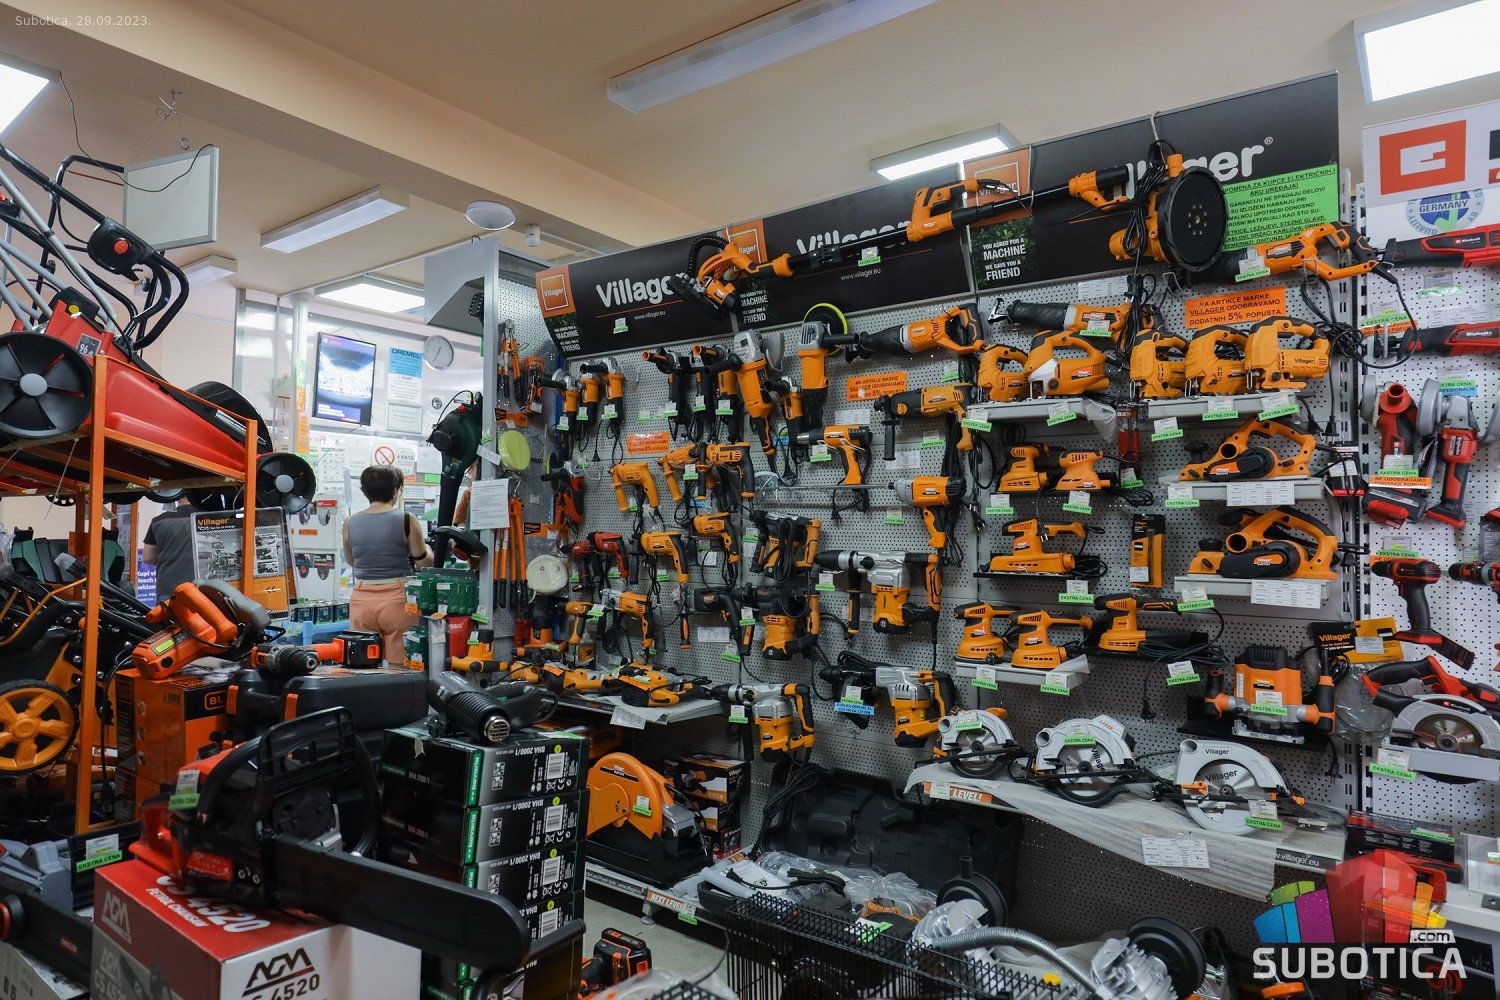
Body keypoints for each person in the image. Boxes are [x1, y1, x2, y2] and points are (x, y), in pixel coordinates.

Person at [344, 465, 432, 664]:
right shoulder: (406, 519)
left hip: (362, 599)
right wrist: (429, 549)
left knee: (363, 664)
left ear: (364, 491)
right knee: (400, 665)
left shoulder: (350, 522)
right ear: (394, 491)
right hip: (398, 599)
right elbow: (423, 561)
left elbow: (352, 561)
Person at [142, 498, 197, 602]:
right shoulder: (209, 518)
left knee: (167, 613)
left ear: (178, 498)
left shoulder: (158, 521)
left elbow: (148, 557)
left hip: (168, 589)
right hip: (202, 588)